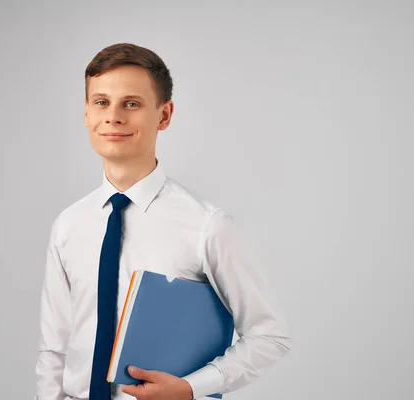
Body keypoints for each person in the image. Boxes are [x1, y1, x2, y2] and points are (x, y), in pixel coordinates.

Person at [35, 43, 292, 400]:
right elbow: (55, 349)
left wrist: (191, 388)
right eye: (101, 102)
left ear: (164, 115)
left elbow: (269, 335)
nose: (113, 116)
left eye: (132, 103)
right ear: (86, 113)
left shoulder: (205, 225)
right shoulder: (68, 225)